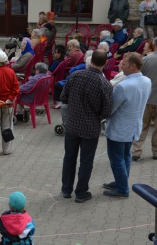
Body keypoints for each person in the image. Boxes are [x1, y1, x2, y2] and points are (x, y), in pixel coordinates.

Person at [60, 50, 113, 203]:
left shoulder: (76, 76)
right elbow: (106, 112)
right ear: (105, 63)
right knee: (86, 161)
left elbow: (64, 97)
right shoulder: (105, 84)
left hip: (72, 125)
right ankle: (81, 192)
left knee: (69, 158)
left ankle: (66, 189)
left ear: (90, 61)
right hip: (90, 128)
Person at [103, 53, 151, 198]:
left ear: (133, 66)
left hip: (119, 128)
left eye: (124, 64)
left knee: (117, 158)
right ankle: (121, 182)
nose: (120, 66)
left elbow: (110, 108)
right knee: (125, 156)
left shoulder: (123, 86)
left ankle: (122, 189)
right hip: (133, 126)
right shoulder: (146, 81)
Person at [132, 38, 157, 161]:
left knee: (142, 125)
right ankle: (156, 152)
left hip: (146, 98)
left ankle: (136, 151)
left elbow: (139, 77)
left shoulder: (146, 59)